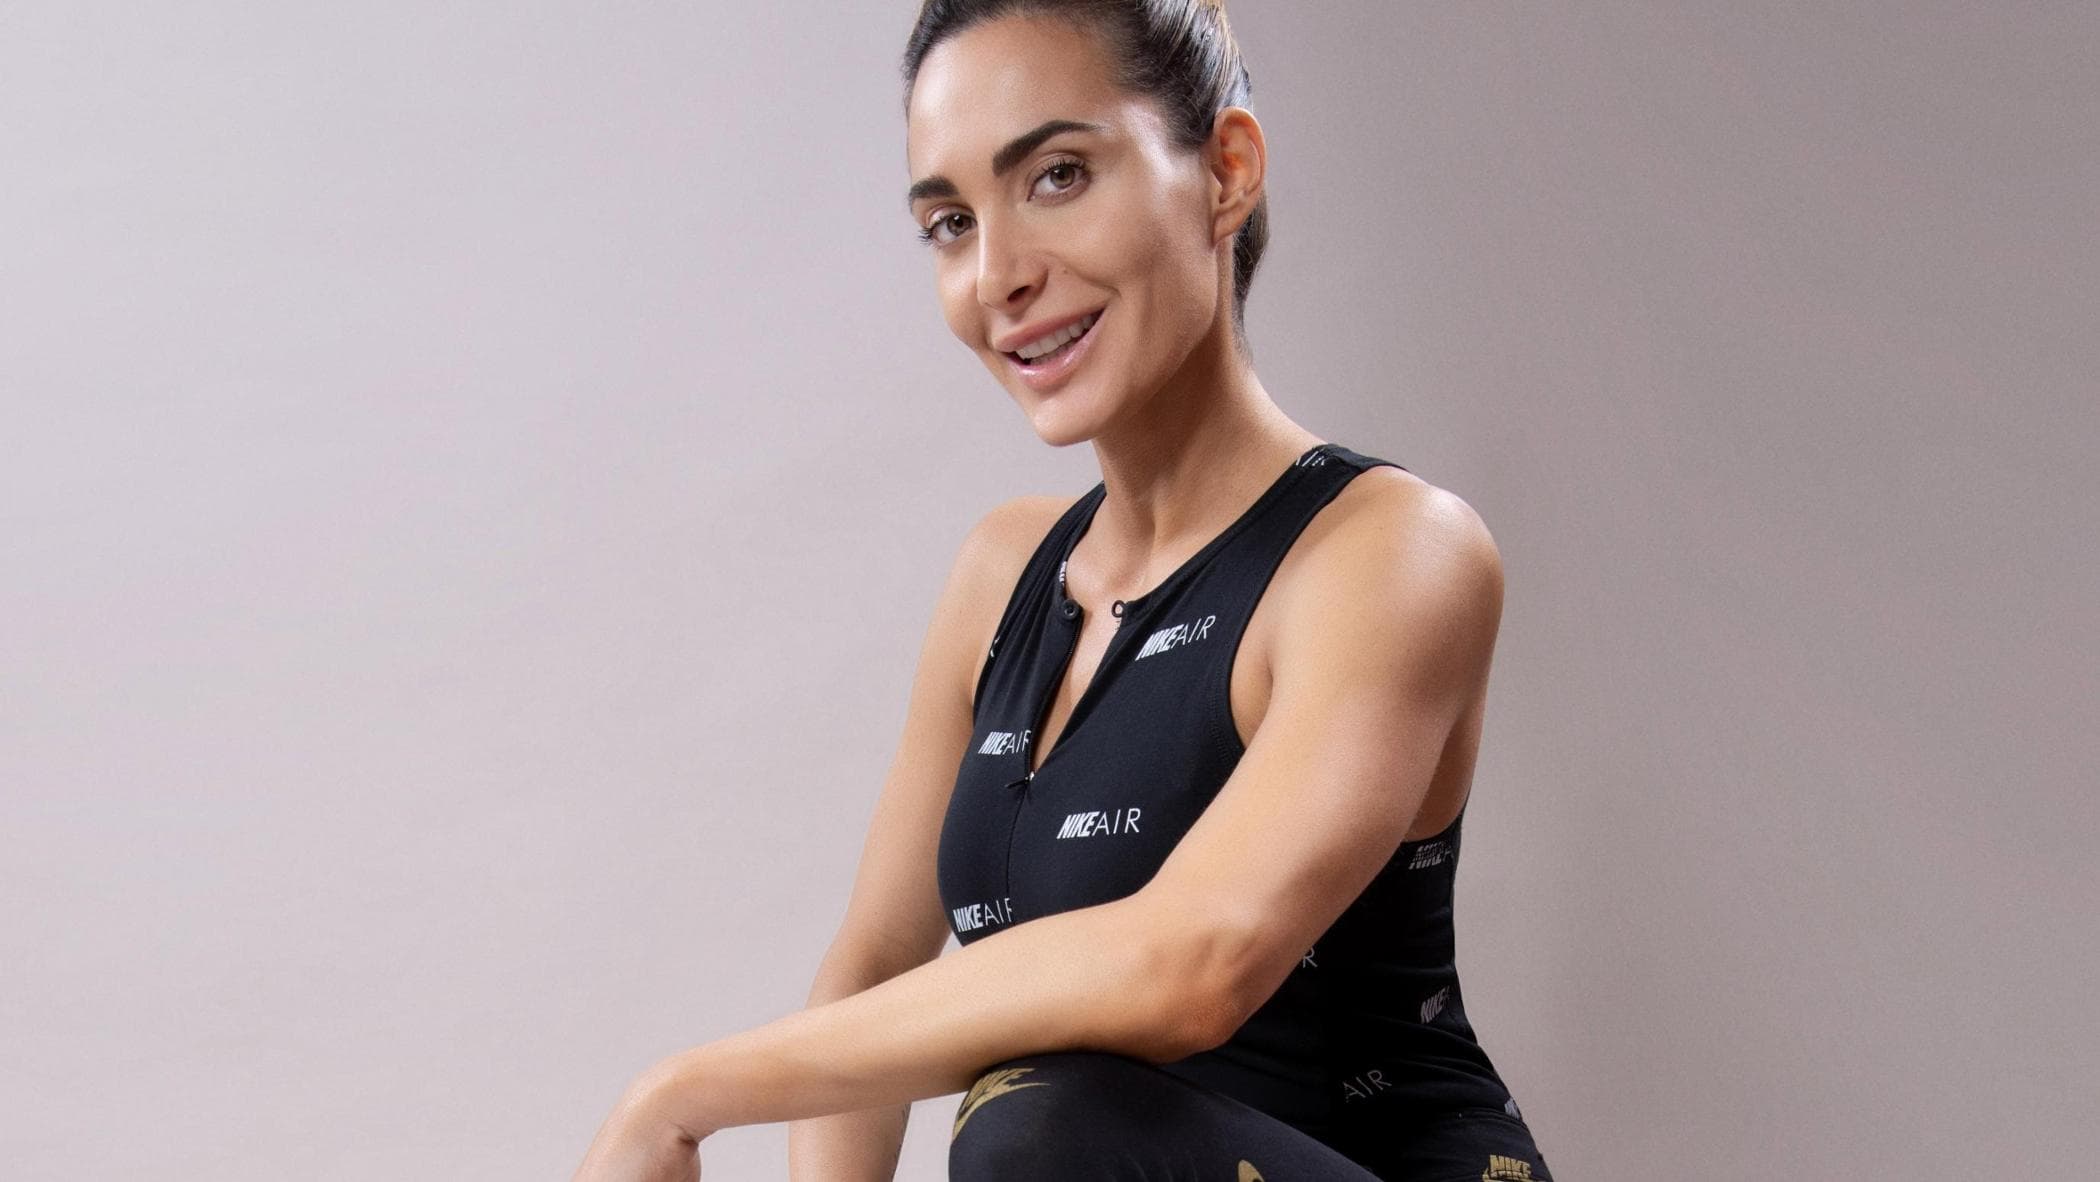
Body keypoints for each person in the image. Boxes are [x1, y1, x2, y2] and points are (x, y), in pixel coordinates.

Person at [570, 3, 1553, 1179]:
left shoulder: (1391, 553)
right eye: (950, 222)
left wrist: (680, 1096)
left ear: (1227, 171)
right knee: (1031, 1120)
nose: (1000, 276)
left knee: (1035, 1121)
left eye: (1058, 176)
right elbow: (873, 966)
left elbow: (1194, 963)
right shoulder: (1003, 573)